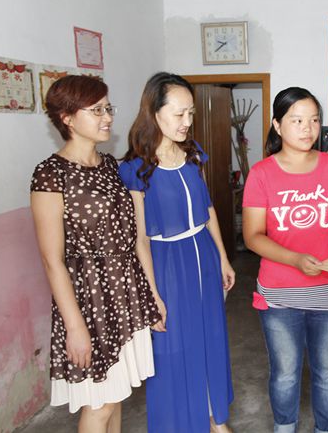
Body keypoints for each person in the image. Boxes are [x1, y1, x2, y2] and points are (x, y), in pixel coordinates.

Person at [30, 75, 163, 432]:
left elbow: (133, 237)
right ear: (68, 118)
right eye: (96, 110)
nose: (107, 117)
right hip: (89, 300)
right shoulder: (50, 174)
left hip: (125, 293)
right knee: (100, 404)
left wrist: (150, 295)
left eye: (108, 108)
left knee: (116, 396)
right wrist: (75, 327)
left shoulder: (110, 167)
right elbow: (52, 260)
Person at [118, 72, 235, 433]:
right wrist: (152, 293)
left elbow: (208, 209)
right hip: (167, 264)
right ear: (154, 112)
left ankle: (215, 419)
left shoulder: (193, 154)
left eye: (191, 113)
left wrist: (223, 257)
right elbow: (140, 238)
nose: (187, 122)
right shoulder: (135, 169)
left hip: (204, 255)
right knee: (173, 348)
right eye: (179, 113)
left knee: (210, 337)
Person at [243, 87, 328, 433]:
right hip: (280, 294)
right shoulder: (261, 173)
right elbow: (253, 236)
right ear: (278, 125)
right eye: (297, 120)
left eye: (314, 120)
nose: (308, 128)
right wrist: (294, 259)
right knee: (285, 374)